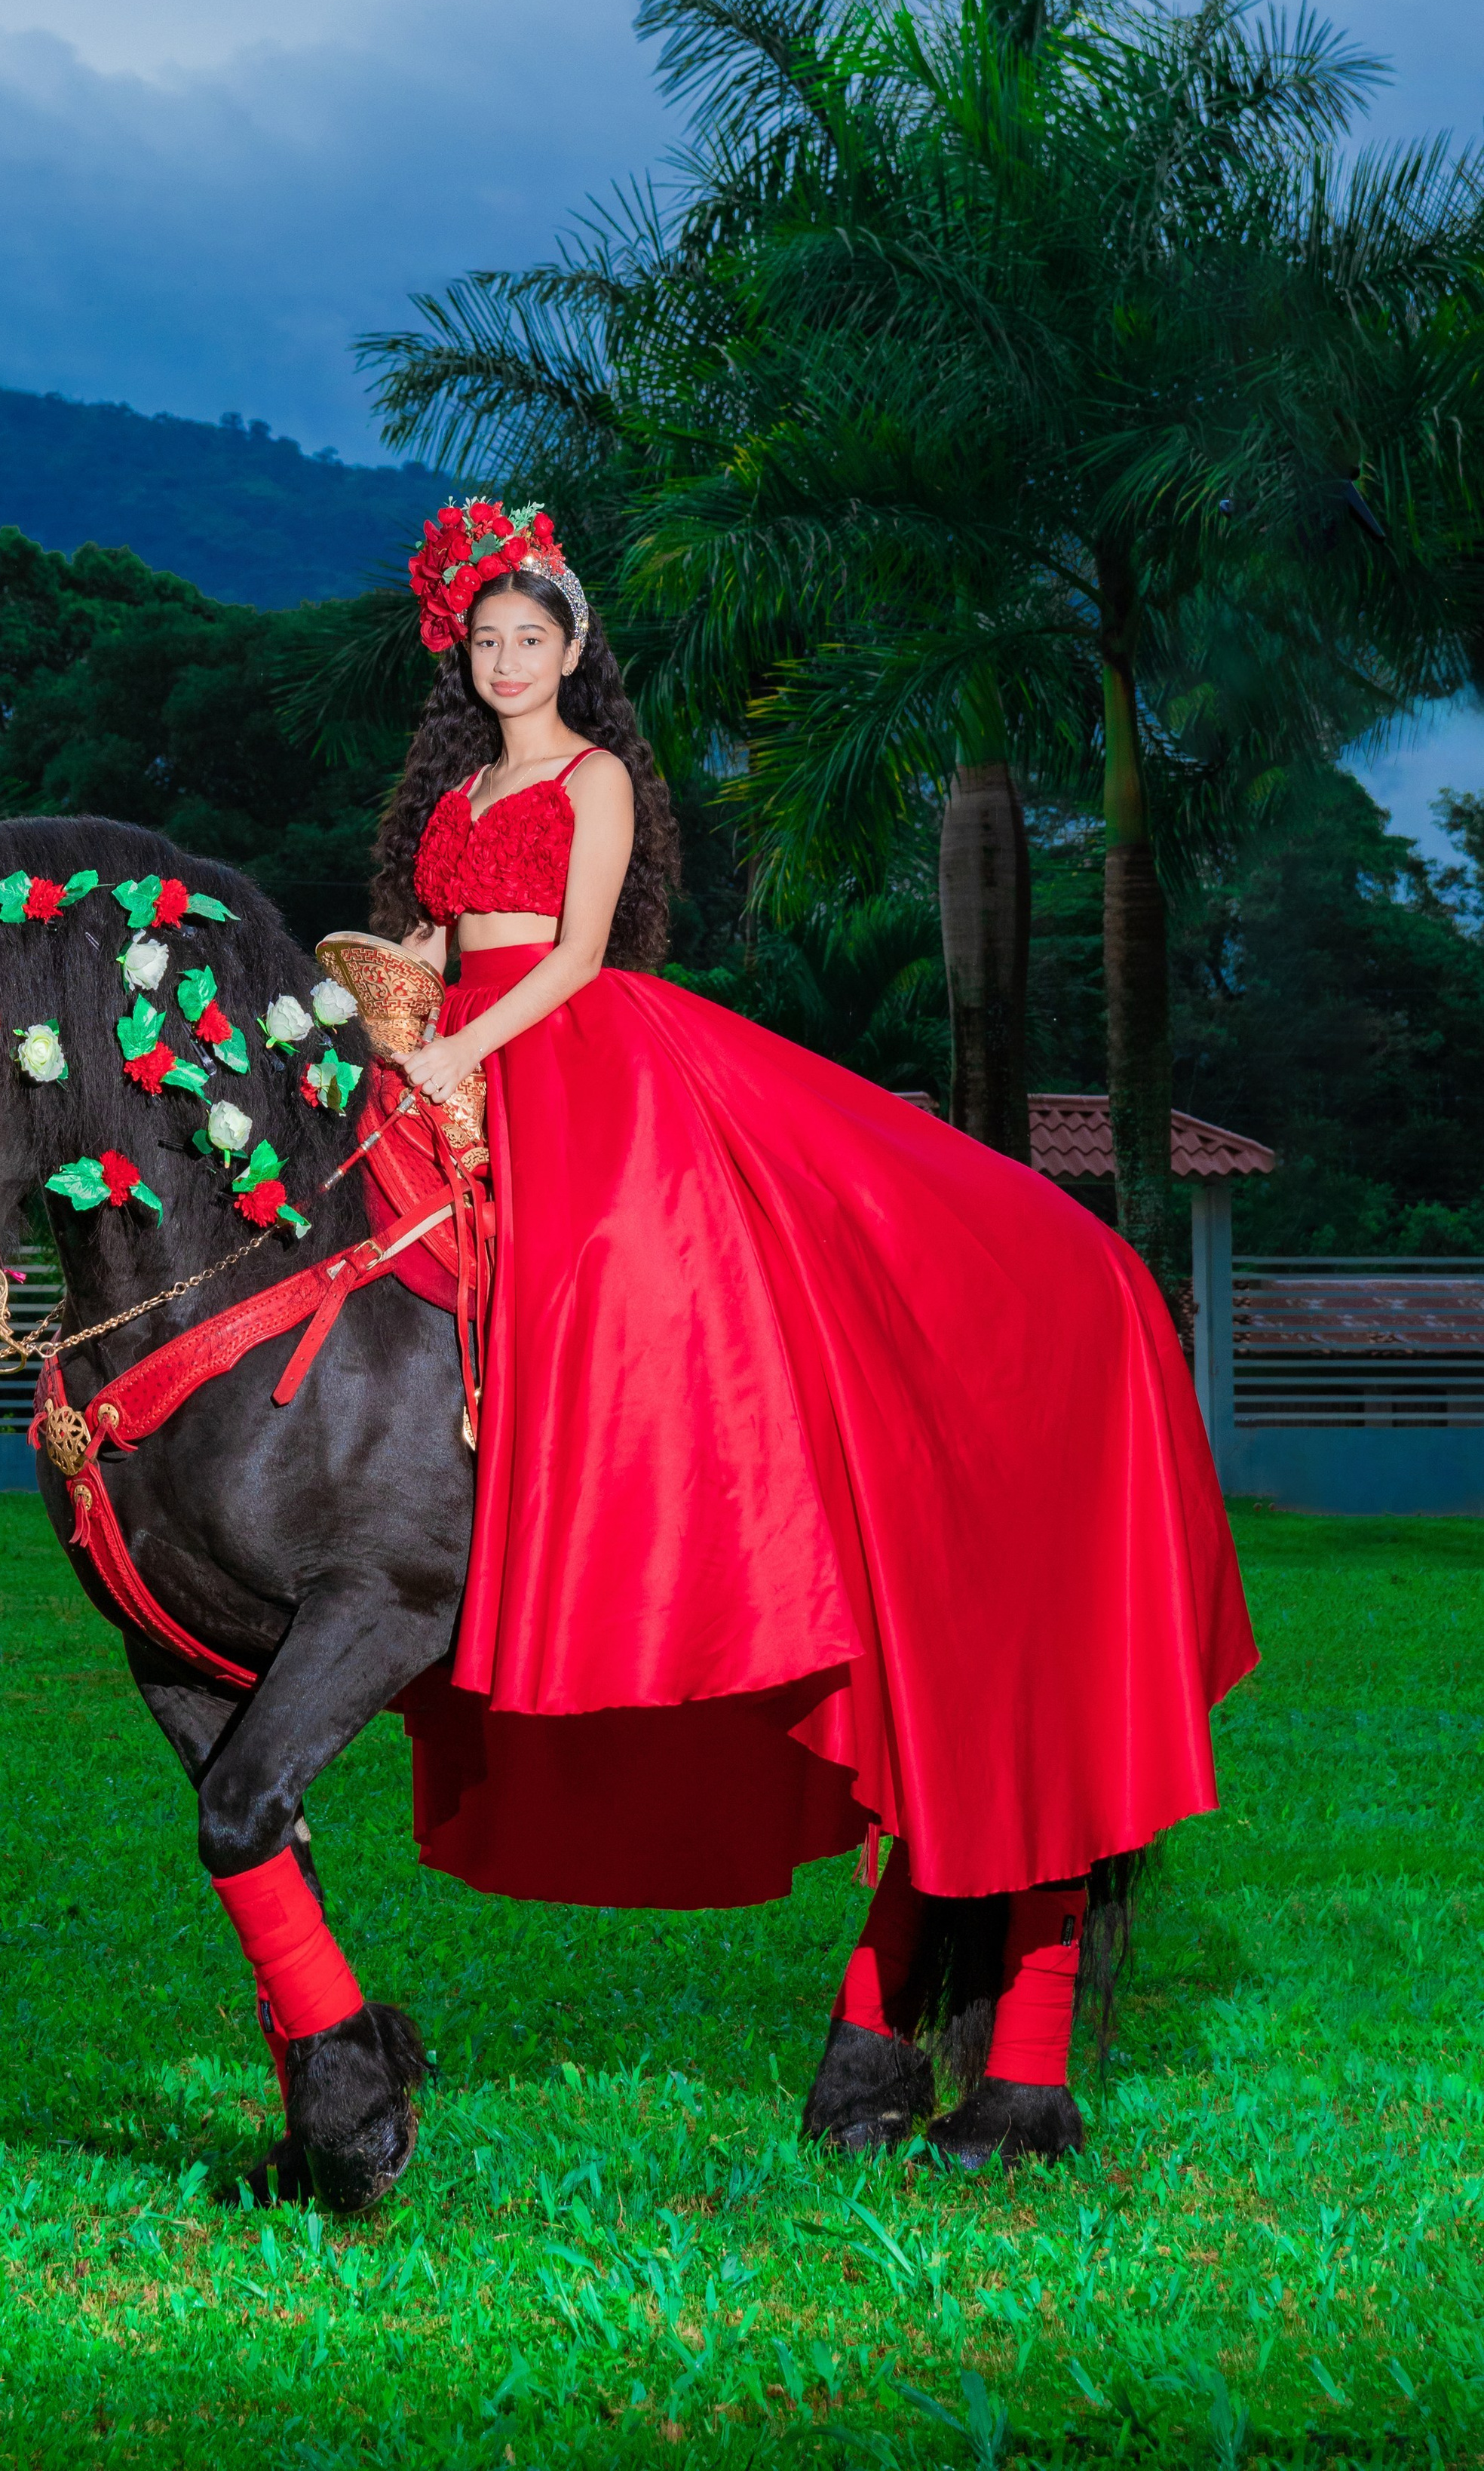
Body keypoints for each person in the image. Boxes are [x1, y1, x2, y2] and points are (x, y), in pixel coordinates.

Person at [371, 497, 1256, 2144]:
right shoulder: (457, 790)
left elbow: (574, 952)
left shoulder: (593, 778)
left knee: (630, 1272)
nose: (505, 663)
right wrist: (386, 1000)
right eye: (481, 643)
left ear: (572, 650)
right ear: (460, 657)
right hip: (452, 1046)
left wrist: (461, 1048)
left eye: (530, 639)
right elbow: (437, 936)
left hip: (562, 1044)